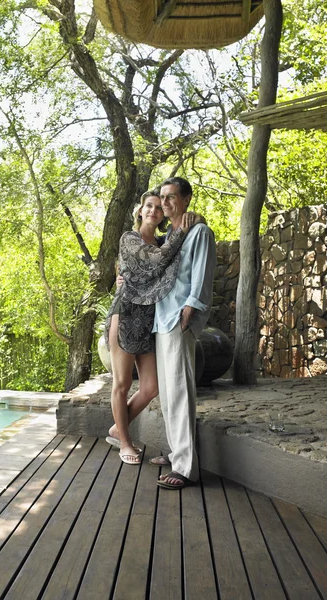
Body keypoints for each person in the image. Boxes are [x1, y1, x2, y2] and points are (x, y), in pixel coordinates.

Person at [105, 190, 204, 464]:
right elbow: (157, 260)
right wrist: (182, 231)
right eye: (148, 206)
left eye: (159, 208)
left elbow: (172, 257)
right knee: (122, 384)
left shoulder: (164, 241)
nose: (153, 211)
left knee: (151, 387)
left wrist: (194, 220)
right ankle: (125, 441)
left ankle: (116, 428)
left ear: (162, 216)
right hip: (125, 314)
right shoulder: (130, 238)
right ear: (140, 210)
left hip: (150, 319)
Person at [150, 177, 216, 490]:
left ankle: (186, 468)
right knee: (168, 393)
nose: (166, 202)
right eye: (163, 197)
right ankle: (178, 451)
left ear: (187, 199)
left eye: (172, 197)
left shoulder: (199, 232)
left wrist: (190, 310)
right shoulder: (171, 237)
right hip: (161, 320)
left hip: (179, 319)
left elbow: (202, 275)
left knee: (180, 392)